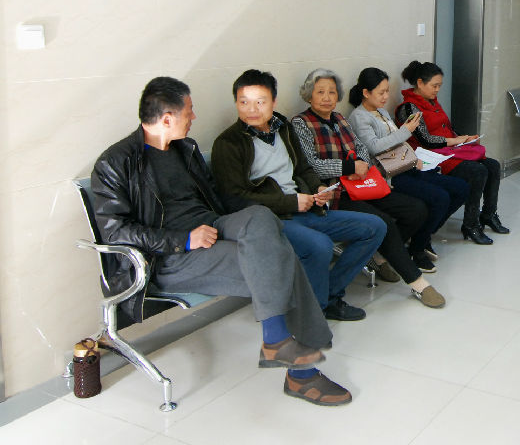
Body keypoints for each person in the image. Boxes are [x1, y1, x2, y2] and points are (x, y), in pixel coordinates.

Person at [91, 77, 351, 406]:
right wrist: (184, 239)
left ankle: (278, 342)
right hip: (170, 257)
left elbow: (217, 200)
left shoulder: (185, 149)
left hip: (213, 226)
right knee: (279, 257)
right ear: (167, 118)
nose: (194, 116)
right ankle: (300, 373)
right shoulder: (116, 162)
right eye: (189, 110)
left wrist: (253, 224)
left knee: (260, 217)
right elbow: (116, 232)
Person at [211, 69, 386, 322]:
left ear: (273, 102)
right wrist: (291, 202)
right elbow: (235, 200)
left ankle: (327, 296)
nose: (251, 109)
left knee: (374, 227)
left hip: (306, 208)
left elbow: (303, 168)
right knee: (320, 246)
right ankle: (314, 314)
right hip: (270, 220)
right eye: (243, 102)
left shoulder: (283, 128)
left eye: (260, 102)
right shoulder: (228, 143)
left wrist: (318, 188)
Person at [291, 68, 446, 308]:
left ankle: (379, 255)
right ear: (309, 95)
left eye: (332, 92)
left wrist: (361, 165)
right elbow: (309, 165)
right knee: (384, 222)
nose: (327, 98)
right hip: (336, 192)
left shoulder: (340, 118)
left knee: (416, 209)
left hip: (364, 184)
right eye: (320, 92)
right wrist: (348, 167)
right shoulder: (300, 123)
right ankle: (417, 282)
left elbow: (361, 147)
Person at [347, 67, 469, 273]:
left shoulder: (381, 111)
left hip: (404, 165)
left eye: (387, 91)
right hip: (388, 175)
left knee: (460, 188)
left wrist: (413, 156)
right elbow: (375, 147)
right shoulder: (359, 117)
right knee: (439, 198)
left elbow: (397, 141)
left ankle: (422, 236)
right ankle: (416, 248)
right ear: (366, 93)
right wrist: (406, 131)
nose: (386, 97)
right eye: (381, 92)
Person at [395, 61, 509, 245]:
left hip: (448, 150)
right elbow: (425, 140)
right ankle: (471, 224)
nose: (437, 90)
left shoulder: (432, 102)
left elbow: (447, 128)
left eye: (439, 86)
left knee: (493, 165)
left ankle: (488, 214)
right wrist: (455, 141)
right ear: (420, 83)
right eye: (434, 86)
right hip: (430, 156)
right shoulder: (408, 108)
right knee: (477, 171)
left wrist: (464, 138)